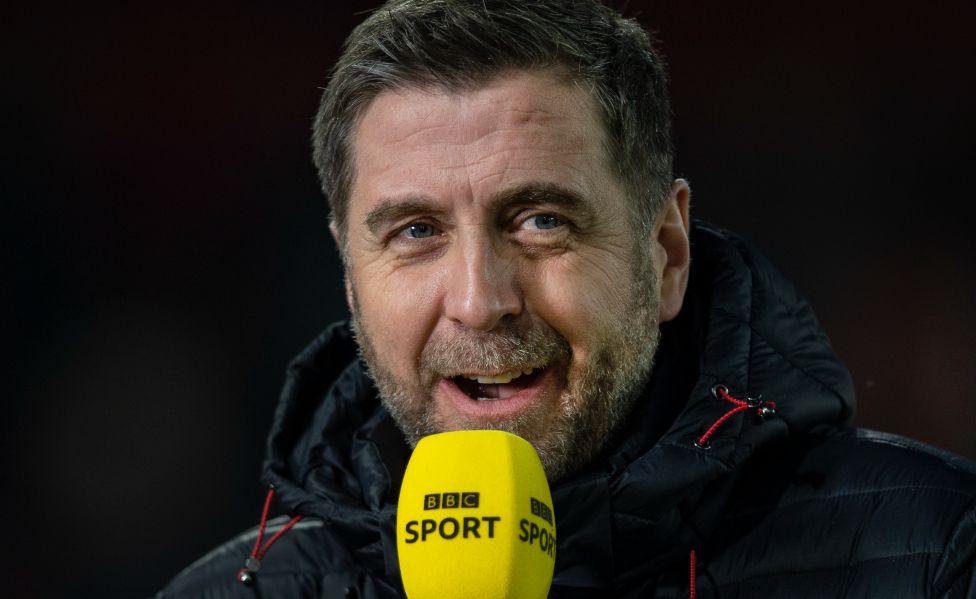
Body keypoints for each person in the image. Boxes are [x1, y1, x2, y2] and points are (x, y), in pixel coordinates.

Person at [158, 1, 976, 597]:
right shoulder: (228, 593)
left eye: (542, 221)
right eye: (415, 231)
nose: (479, 302)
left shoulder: (939, 557)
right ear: (349, 279)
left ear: (666, 251)